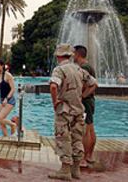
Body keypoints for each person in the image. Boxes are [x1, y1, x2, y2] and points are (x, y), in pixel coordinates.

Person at [48, 44, 97, 180]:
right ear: (69, 55)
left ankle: (65, 170)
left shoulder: (59, 69)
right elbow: (94, 84)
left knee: (63, 137)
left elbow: (53, 86)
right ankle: (75, 170)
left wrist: (55, 102)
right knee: (77, 138)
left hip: (64, 110)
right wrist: (82, 96)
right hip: (78, 110)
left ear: (58, 56)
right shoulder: (79, 69)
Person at [73, 45, 97, 168]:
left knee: (85, 130)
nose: (72, 56)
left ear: (77, 54)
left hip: (86, 102)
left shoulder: (84, 67)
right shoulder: (88, 66)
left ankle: (82, 158)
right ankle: (90, 156)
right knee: (90, 129)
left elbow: (93, 85)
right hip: (90, 101)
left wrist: (81, 96)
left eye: (73, 53)